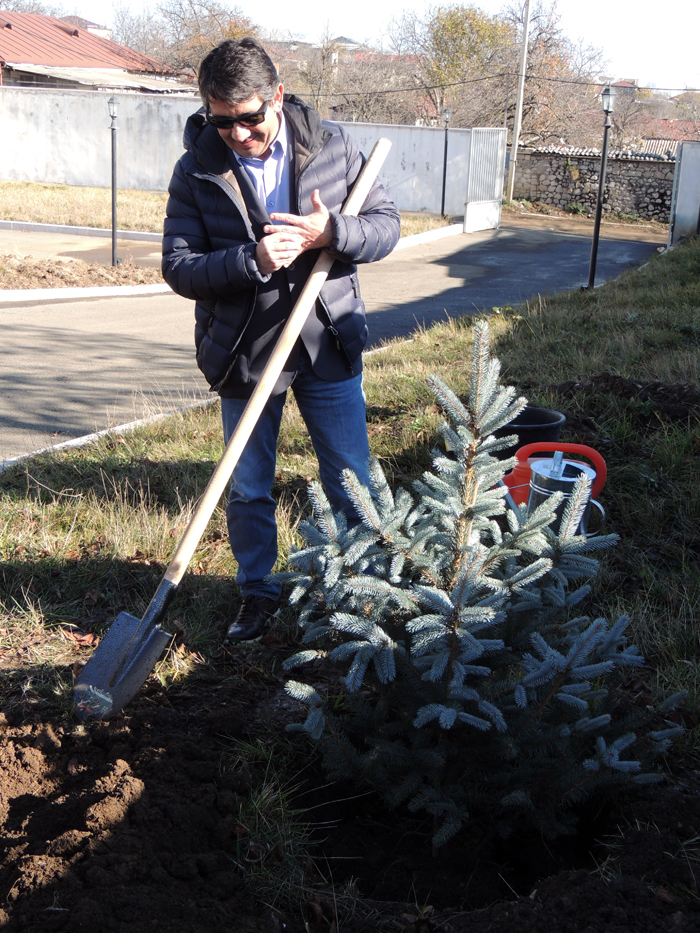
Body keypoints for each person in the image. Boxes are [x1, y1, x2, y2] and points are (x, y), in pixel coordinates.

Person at [162, 38, 400, 642]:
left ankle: (361, 590)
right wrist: (253, 260)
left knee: (350, 476)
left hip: (327, 340)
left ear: (277, 96)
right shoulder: (197, 168)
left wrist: (332, 232)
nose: (238, 134)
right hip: (243, 348)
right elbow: (179, 267)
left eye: (250, 117)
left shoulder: (332, 146)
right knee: (248, 485)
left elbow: (386, 228)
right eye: (223, 121)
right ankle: (257, 592)